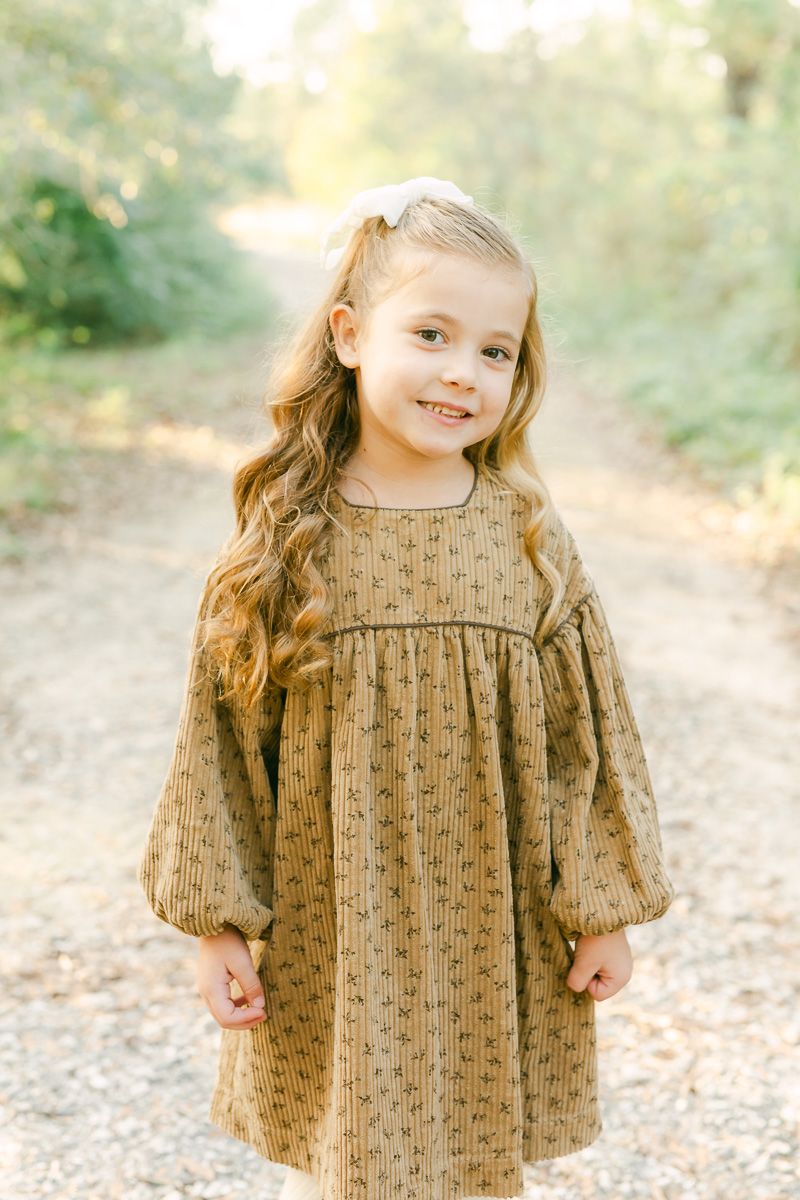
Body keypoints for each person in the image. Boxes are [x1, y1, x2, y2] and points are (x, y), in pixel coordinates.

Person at [137, 177, 676, 1200]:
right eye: (428, 334)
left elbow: (586, 740)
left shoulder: (526, 541)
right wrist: (217, 925)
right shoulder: (285, 542)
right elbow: (219, 748)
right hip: (334, 923)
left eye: (493, 350)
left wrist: (600, 907)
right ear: (348, 334)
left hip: (492, 924)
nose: (461, 373)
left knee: (473, 1156)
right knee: (347, 1154)